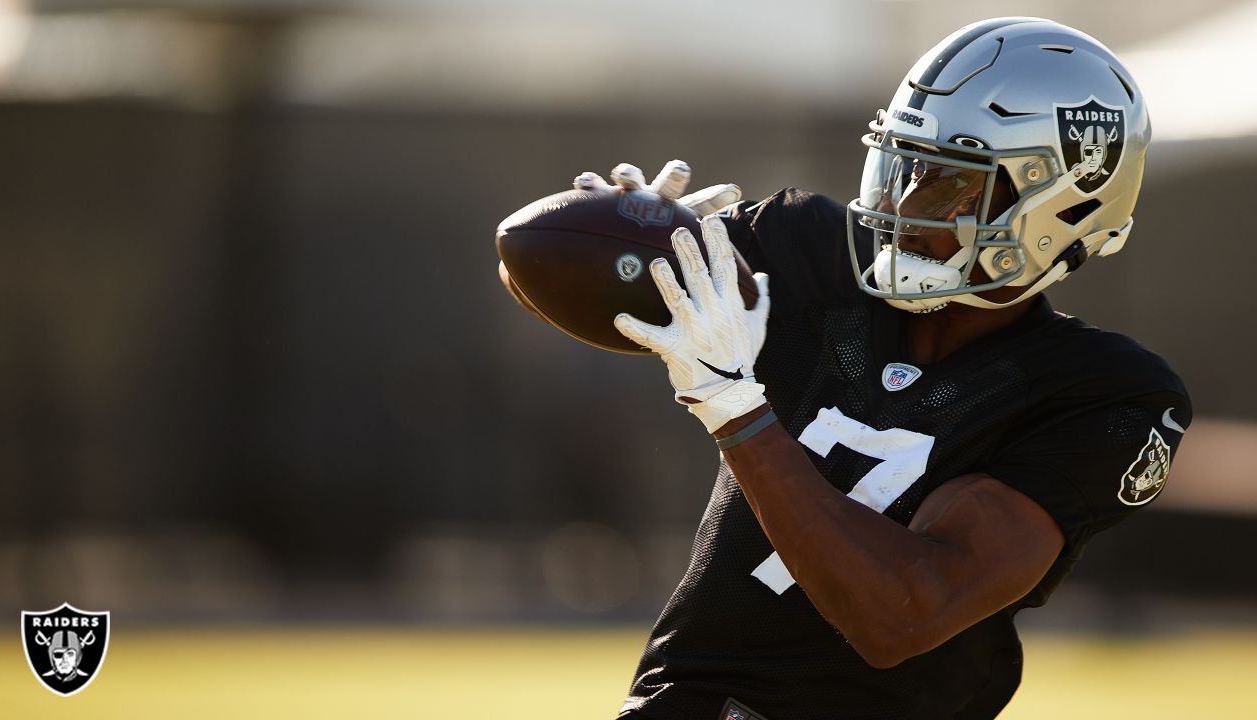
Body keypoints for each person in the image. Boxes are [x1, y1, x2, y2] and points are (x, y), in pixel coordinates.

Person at [505, 17, 1190, 720]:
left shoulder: (1105, 394)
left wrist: (737, 409)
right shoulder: (808, 250)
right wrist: (618, 246)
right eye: (903, 163)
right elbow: (532, 266)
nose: (898, 202)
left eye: (948, 182)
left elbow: (900, 616)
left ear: (1059, 203)